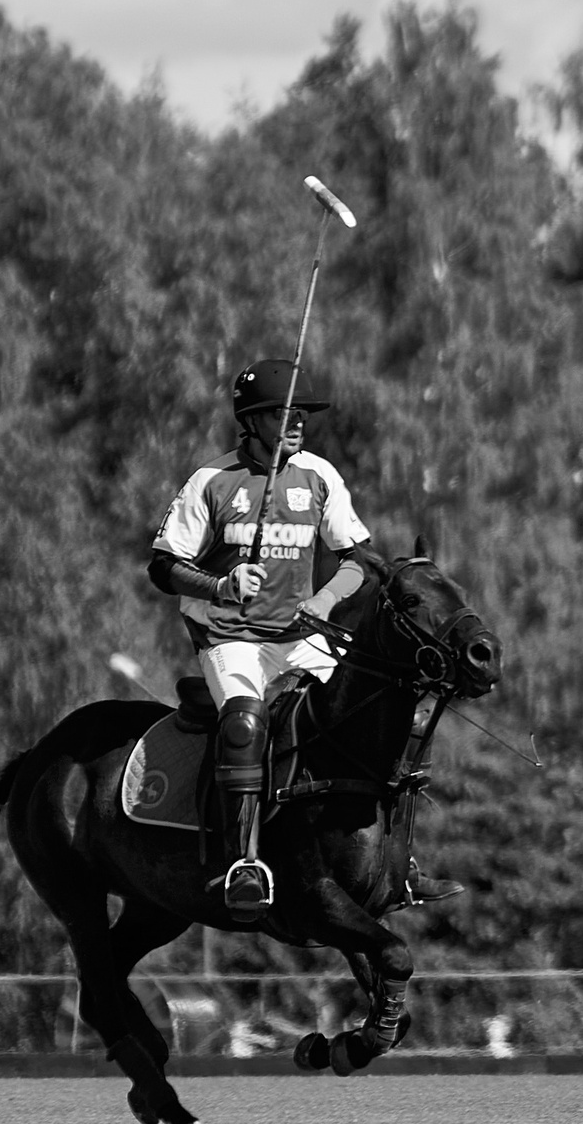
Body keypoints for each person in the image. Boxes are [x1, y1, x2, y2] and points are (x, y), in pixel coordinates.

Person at [148, 359, 456, 916]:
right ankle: (242, 864)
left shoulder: (318, 475)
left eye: (302, 414)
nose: (298, 423)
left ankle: (399, 863)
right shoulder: (211, 480)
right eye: (284, 414)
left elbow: (358, 559)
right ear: (252, 420)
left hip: (300, 635)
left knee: (388, 713)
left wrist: (326, 598)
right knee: (244, 723)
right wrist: (221, 584)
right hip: (231, 637)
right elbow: (164, 566)